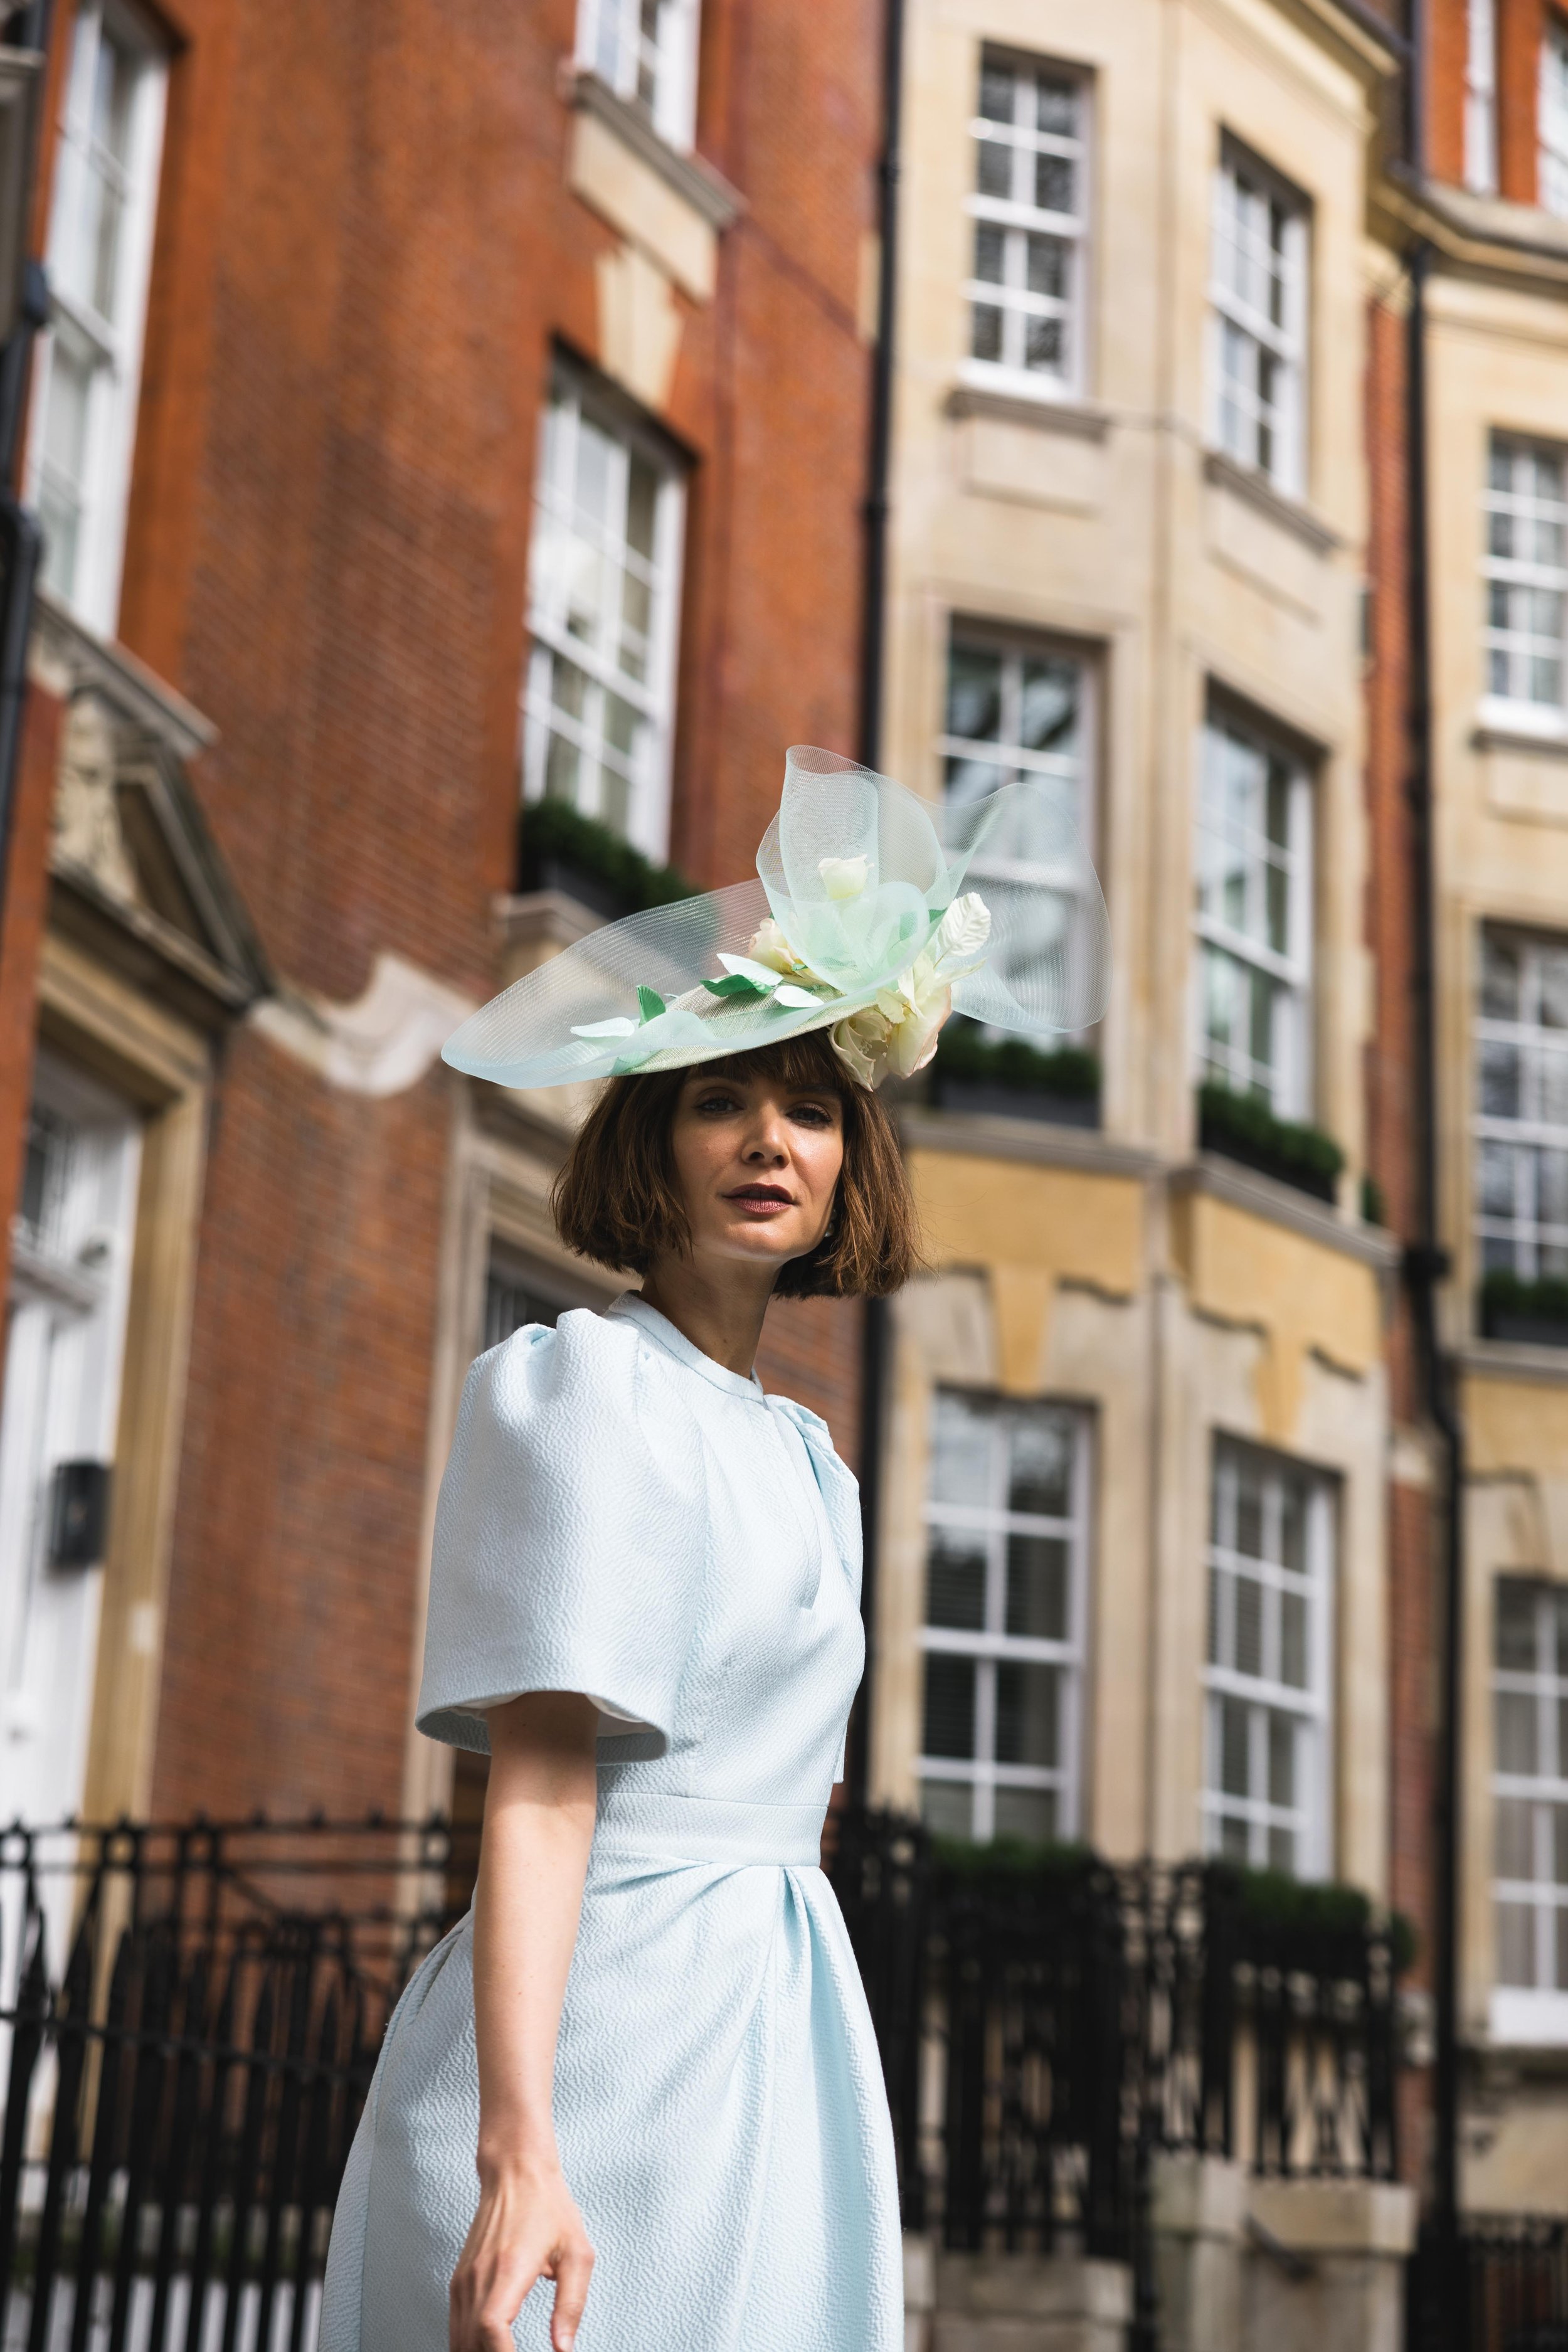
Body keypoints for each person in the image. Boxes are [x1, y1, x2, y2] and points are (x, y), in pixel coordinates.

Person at [319, 746, 1108, 2352]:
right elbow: (540, 1789)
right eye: (720, 1098)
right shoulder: (585, 1387)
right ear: (655, 1140)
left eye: (808, 1107)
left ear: (846, 1159)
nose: (767, 1138)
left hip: (776, 2028)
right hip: (601, 2035)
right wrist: (521, 2148)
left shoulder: (808, 1460)